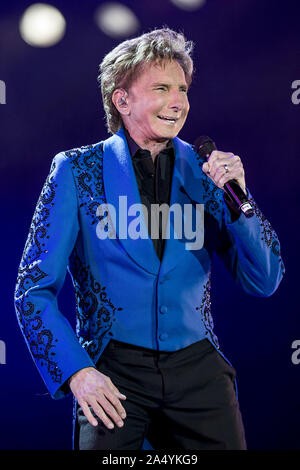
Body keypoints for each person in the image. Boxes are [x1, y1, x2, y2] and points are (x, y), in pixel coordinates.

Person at [14, 28, 285, 450]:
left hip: (199, 373)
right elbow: (32, 290)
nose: (178, 101)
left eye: (182, 89)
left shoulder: (207, 171)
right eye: (162, 88)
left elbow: (265, 280)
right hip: (113, 375)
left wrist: (240, 200)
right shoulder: (76, 170)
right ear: (122, 101)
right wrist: (77, 372)